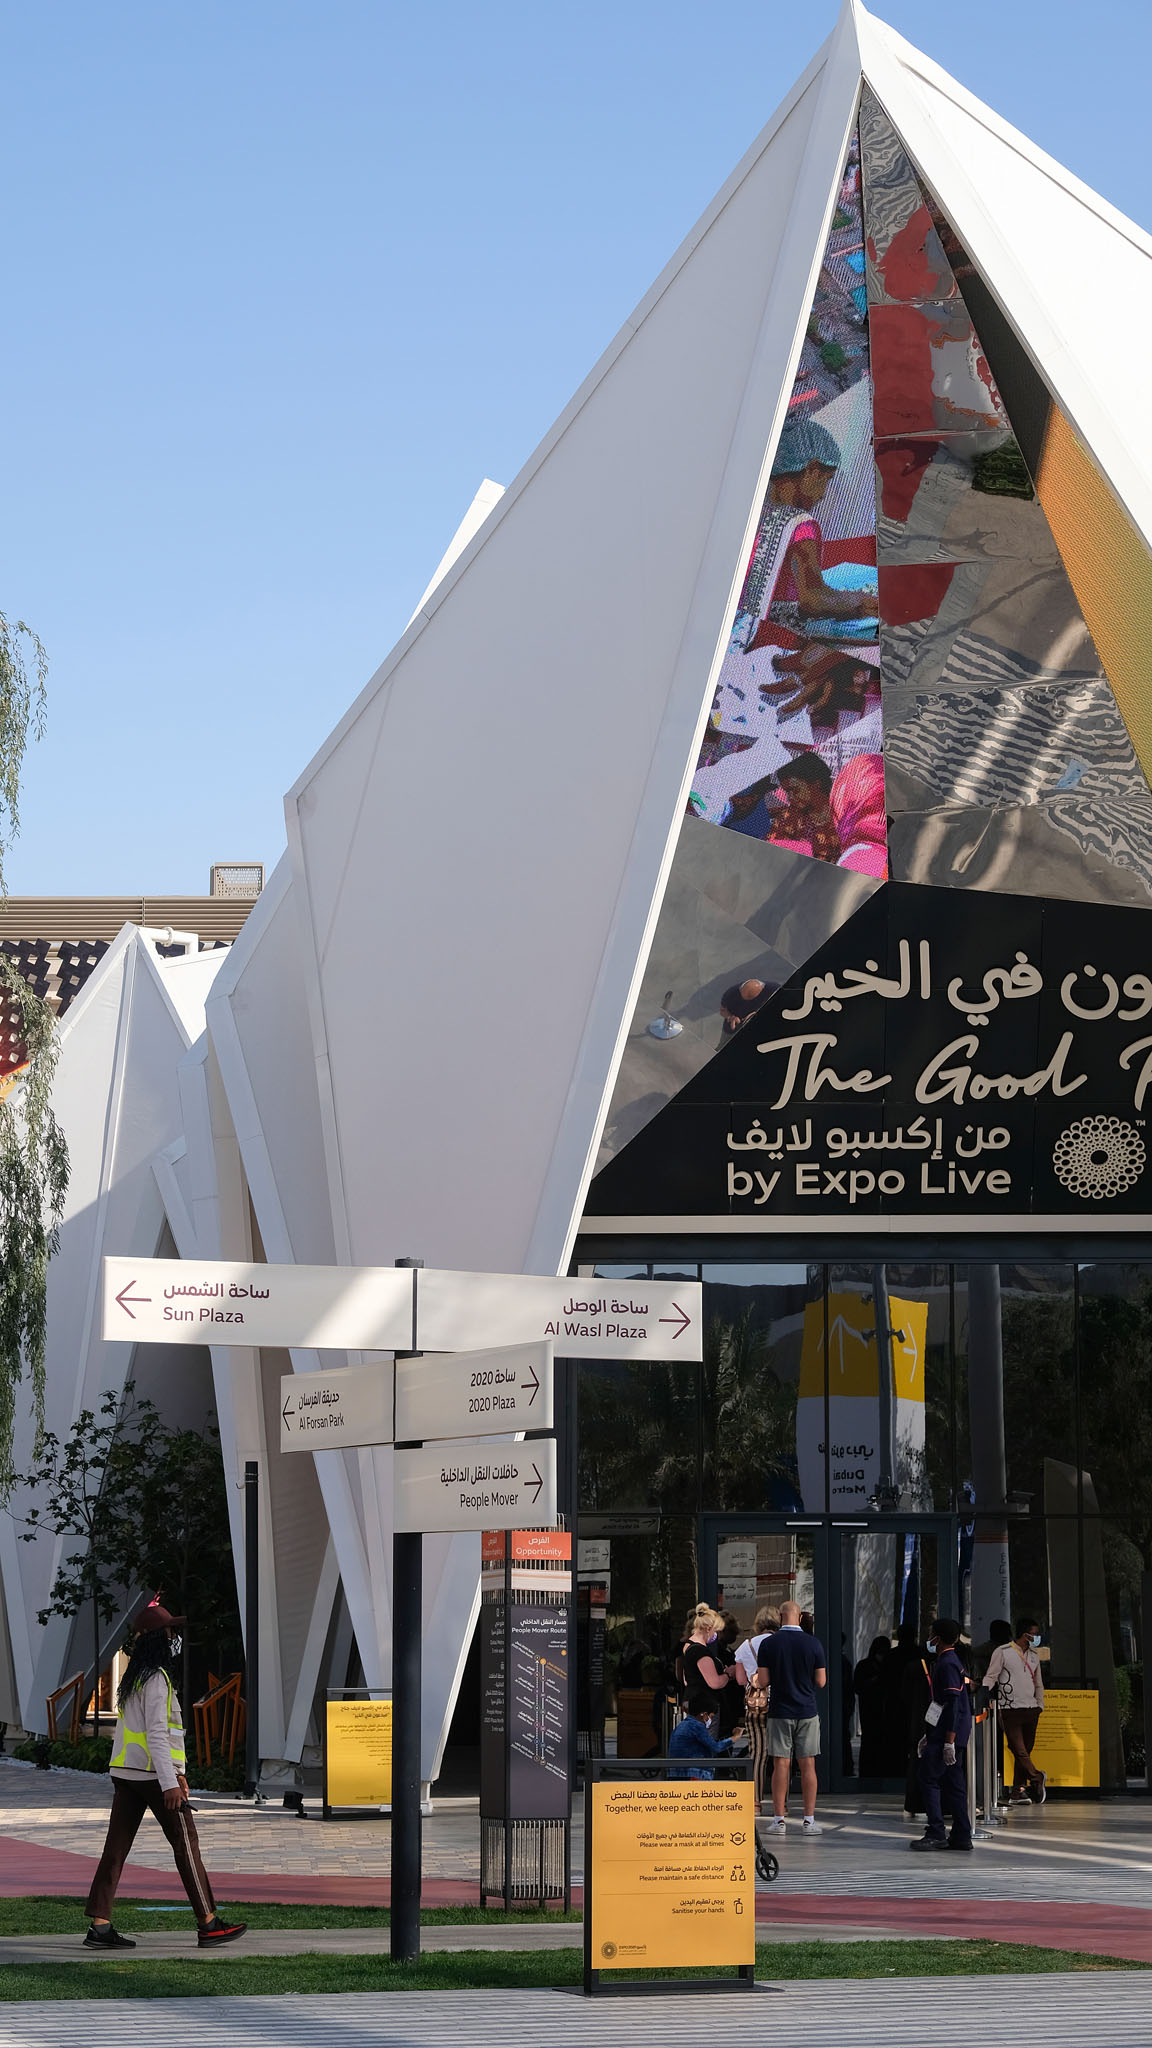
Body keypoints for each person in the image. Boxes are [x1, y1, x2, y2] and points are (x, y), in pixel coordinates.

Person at [84, 1603, 247, 1950]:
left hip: (127, 1774)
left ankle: (99, 1925)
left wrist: (176, 1774)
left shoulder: (134, 1677)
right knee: (186, 1844)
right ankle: (209, 1923)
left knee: (116, 1849)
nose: (175, 1637)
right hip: (153, 1777)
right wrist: (171, 1782)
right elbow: (158, 1735)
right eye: (171, 1631)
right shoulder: (157, 1678)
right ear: (159, 1638)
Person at [755, 1599, 826, 1835]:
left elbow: (763, 1681)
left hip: (780, 1711)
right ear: (800, 1617)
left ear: (780, 1616)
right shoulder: (813, 1643)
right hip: (807, 1710)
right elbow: (821, 1681)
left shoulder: (769, 1644)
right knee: (808, 1764)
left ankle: (779, 1820)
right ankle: (809, 1820)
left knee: (780, 1764)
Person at [910, 1617, 972, 1852]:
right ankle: (962, 1834)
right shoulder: (949, 1661)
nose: (929, 1638)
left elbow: (953, 1704)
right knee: (954, 1784)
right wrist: (929, 1732)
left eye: (931, 1634)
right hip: (945, 1731)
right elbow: (940, 1703)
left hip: (947, 1733)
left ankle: (936, 1832)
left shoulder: (947, 1664)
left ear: (938, 1638)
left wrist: (948, 1741)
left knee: (928, 1778)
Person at [984, 1617, 1046, 1805]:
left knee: (1025, 1750)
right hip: (1009, 1709)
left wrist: (1040, 1705)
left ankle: (1017, 1792)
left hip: (1031, 1709)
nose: (1036, 1637)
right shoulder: (1003, 1652)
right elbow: (991, 1676)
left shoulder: (1034, 1656)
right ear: (1024, 1634)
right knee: (1019, 1749)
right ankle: (1036, 1777)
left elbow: (1038, 1683)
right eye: (1034, 1634)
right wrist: (983, 1696)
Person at [736, 1607, 779, 1813]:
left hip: (755, 1706)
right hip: (780, 1704)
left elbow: (740, 1680)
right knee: (782, 1755)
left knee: (758, 1754)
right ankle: (782, 1804)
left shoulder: (746, 1646)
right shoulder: (781, 1643)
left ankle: (755, 1803)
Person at [680, 1603, 746, 1721]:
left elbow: (686, 1680)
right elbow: (715, 1683)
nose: (716, 1635)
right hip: (704, 1706)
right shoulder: (700, 1651)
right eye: (716, 1630)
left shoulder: (688, 1646)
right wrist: (728, 1674)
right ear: (708, 1628)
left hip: (693, 1701)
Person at [853, 1635, 893, 1778]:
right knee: (870, 1741)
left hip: (880, 1709)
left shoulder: (888, 1666)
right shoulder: (866, 1666)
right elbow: (858, 1687)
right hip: (870, 1709)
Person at [668, 1703, 735, 1780]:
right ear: (705, 1714)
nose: (711, 1720)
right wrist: (735, 1737)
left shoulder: (681, 1725)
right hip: (693, 1773)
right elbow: (716, 1747)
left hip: (676, 1773)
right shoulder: (696, 1726)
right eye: (711, 1716)